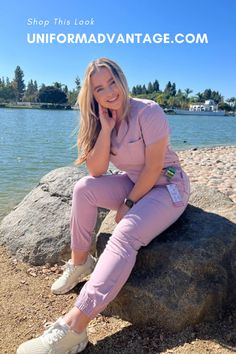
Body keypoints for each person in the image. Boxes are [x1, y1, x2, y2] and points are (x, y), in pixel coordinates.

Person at [17, 57, 190, 354]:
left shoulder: (148, 112)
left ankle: (74, 327)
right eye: (99, 88)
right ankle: (81, 262)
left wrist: (129, 203)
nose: (109, 92)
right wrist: (106, 128)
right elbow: (96, 171)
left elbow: (153, 167)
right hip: (134, 180)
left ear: (121, 79)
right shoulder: (101, 118)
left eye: (112, 82)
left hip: (165, 185)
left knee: (125, 234)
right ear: (92, 94)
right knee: (83, 189)